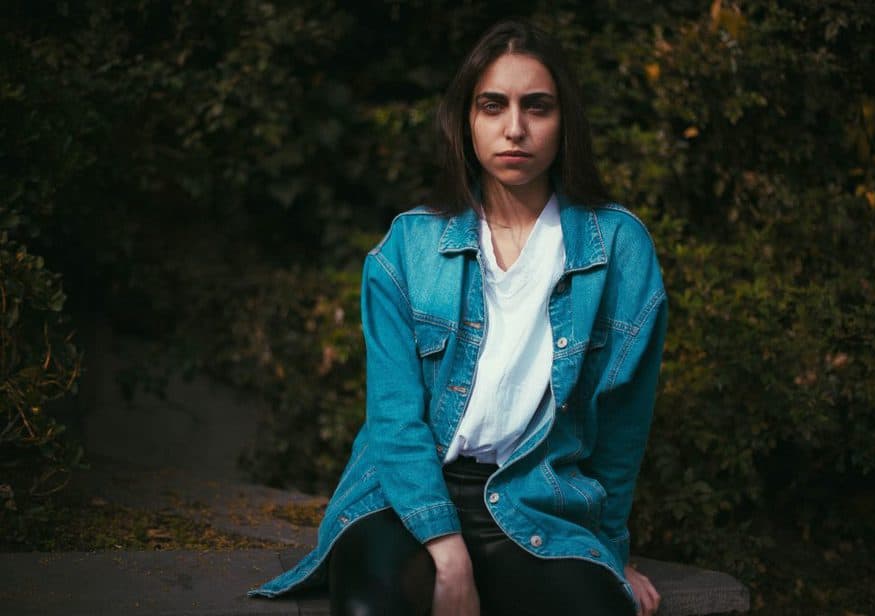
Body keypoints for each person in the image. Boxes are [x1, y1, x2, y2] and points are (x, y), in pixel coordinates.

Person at [249, 19, 667, 616]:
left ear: (565, 121)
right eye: (492, 106)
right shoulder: (408, 248)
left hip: (539, 500)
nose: (514, 128)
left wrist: (607, 547)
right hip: (405, 498)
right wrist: (447, 551)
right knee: (369, 610)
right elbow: (394, 420)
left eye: (537, 107)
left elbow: (623, 427)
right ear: (466, 121)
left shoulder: (619, 247)